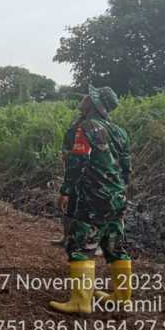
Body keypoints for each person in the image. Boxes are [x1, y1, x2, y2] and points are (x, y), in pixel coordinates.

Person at [49, 85, 132, 314]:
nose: (84, 98)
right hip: (117, 195)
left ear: (94, 103)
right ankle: (122, 296)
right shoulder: (119, 131)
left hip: (92, 196)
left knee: (81, 246)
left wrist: (66, 189)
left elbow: (78, 163)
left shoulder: (84, 128)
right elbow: (126, 169)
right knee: (115, 245)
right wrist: (120, 192)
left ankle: (80, 302)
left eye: (88, 96)